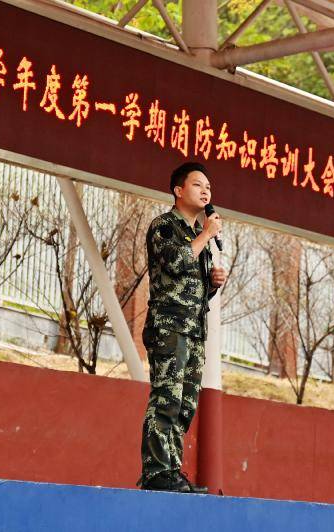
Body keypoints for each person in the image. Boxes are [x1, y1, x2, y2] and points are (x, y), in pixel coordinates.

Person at [138, 162, 227, 493]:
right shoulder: (164, 226)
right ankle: (156, 472)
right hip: (169, 327)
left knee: (185, 405)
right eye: (198, 185)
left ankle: (172, 471)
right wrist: (206, 235)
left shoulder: (197, 236)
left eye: (209, 187)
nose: (206, 191)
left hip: (194, 330)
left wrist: (213, 283)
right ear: (178, 190)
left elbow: (194, 290)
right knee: (167, 399)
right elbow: (175, 263)